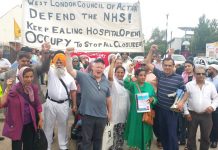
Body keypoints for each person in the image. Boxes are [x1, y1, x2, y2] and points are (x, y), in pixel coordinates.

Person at [66, 48, 112, 150]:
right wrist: (68, 55)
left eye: (101, 67)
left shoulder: (106, 82)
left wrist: (110, 113)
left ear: (103, 68)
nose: (99, 69)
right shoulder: (84, 77)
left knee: (98, 140)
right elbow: (69, 70)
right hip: (87, 115)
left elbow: (108, 98)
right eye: (97, 67)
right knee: (86, 140)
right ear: (92, 67)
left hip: (102, 117)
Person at [145, 44, 188, 150]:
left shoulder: (178, 78)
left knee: (172, 135)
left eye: (170, 65)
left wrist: (181, 102)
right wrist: (151, 50)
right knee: (162, 133)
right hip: (159, 109)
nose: (167, 67)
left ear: (173, 66)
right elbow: (147, 63)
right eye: (165, 65)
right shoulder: (160, 74)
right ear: (162, 66)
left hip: (171, 111)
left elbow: (186, 92)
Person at [0, 67, 43, 150]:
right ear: (20, 77)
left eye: (31, 76)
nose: (29, 79)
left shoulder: (33, 88)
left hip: (30, 123)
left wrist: (40, 118)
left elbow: (37, 103)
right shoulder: (13, 90)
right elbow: (1, 104)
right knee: (16, 147)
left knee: (29, 146)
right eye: (26, 77)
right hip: (17, 124)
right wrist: (7, 89)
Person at [43, 51, 77, 150]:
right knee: (48, 126)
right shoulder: (50, 71)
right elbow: (44, 67)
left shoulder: (70, 75)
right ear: (54, 62)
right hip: (50, 103)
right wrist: (46, 54)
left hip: (64, 104)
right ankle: (47, 146)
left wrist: (74, 105)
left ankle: (63, 146)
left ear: (64, 62)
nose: (58, 64)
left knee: (63, 126)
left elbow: (73, 91)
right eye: (57, 62)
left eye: (60, 62)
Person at [180, 66, 218, 150]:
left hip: (206, 115)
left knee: (205, 137)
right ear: (194, 74)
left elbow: (216, 98)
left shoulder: (210, 85)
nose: (201, 75)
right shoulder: (189, 85)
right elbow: (184, 99)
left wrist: (212, 106)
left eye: (203, 73)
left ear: (205, 74)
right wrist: (186, 112)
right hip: (192, 114)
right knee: (191, 136)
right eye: (198, 73)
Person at [123, 65, 157, 150]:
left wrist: (152, 99)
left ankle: (145, 147)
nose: (143, 77)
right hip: (135, 113)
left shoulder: (149, 86)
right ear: (136, 76)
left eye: (144, 75)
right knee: (135, 131)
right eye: (140, 75)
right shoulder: (133, 85)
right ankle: (134, 147)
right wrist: (130, 73)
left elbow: (155, 98)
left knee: (145, 131)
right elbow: (126, 83)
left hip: (146, 113)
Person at [108, 57, 130, 150]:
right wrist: (113, 63)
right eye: (118, 72)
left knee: (121, 135)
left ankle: (119, 148)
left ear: (124, 73)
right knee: (112, 135)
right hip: (114, 115)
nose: (120, 74)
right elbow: (109, 76)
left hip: (124, 115)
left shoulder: (127, 83)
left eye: (122, 72)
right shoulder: (113, 83)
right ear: (115, 73)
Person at [179, 61, 195, 147]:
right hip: (183, 100)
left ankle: (189, 142)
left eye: (189, 66)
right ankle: (182, 140)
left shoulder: (197, 76)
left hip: (192, 102)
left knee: (191, 125)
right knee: (182, 122)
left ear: (193, 66)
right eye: (185, 66)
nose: (187, 68)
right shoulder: (182, 75)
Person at [207, 64, 218, 148]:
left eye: (209, 69)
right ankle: (209, 137)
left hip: (216, 105)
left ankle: (214, 140)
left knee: (215, 123)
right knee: (208, 123)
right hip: (207, 104)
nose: (208, 71)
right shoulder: (207, 79)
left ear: (214, 70)